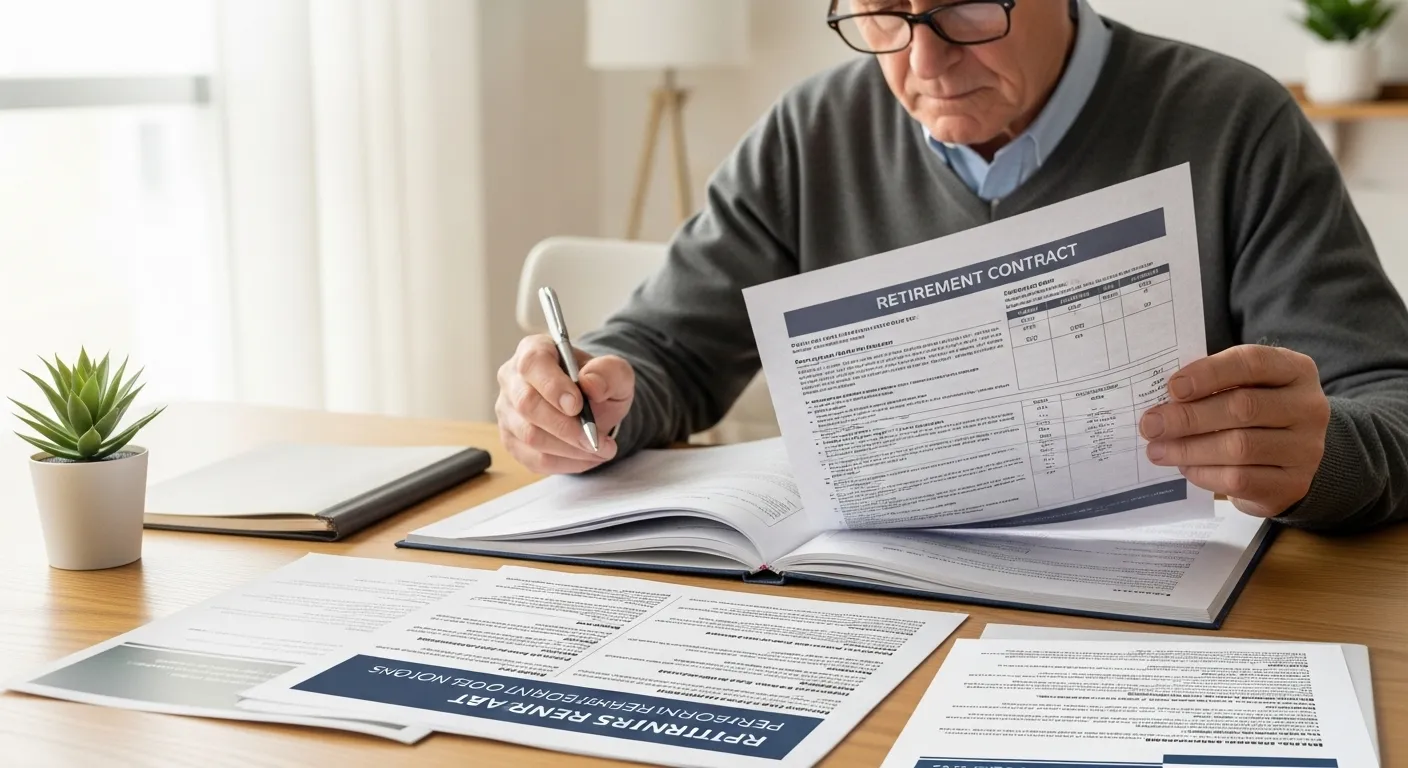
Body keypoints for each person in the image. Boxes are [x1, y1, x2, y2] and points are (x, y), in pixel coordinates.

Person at [496, 0, 1408, 533]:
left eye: (965, 6)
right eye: (883, 14)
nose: (924, 62)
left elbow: (1391, 409)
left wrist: (1314, 459)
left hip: (1161, 637)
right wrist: (592, 394)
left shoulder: (1235, 122)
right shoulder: (811, 131)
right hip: (879, 618)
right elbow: (667, 351)